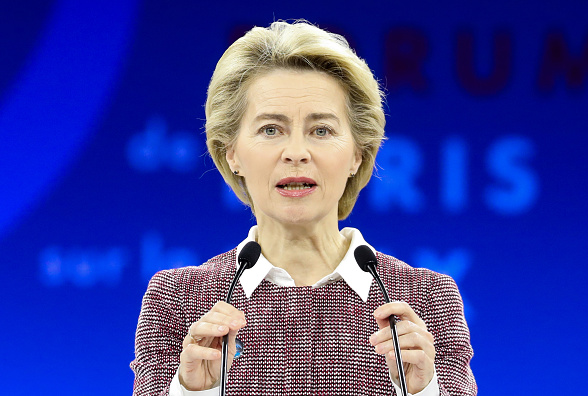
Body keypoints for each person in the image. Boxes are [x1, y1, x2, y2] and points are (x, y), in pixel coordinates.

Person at [131, 20, 476, 396]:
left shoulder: (424, 297)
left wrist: (424, 389)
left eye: (321, 130)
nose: (296, 152)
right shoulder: (178, 298)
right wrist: (193, 391)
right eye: (270, 130)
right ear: (231, 154)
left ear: (357, 155)